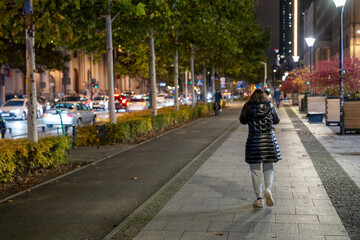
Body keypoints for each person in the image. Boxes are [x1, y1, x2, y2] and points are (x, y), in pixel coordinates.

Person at [239, 89, 281, 208]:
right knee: (269, 168)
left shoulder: (247, 106)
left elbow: (242, 121)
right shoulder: (270, 106)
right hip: (269, 141)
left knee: (255, 171)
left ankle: (259, 199)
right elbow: (277, 120)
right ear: (264, 97)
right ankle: (268, 189)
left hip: (254, 142)